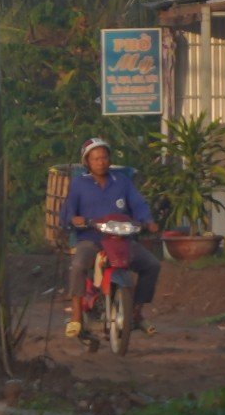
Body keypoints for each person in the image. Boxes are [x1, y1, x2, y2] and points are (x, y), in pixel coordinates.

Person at [61, 137, 161, 338]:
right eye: (96, 158)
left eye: (104, 157)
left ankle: (137, 312)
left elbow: (138, 204)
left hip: (122, 240)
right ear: (87, 162)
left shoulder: (122, 181)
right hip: (91, 239)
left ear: (109, 159)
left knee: (151, 264)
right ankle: (76, 316)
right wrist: (75, 219)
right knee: (79, 265)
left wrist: (148, 221)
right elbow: (68, 211)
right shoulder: (79, 184)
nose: (101, 162)